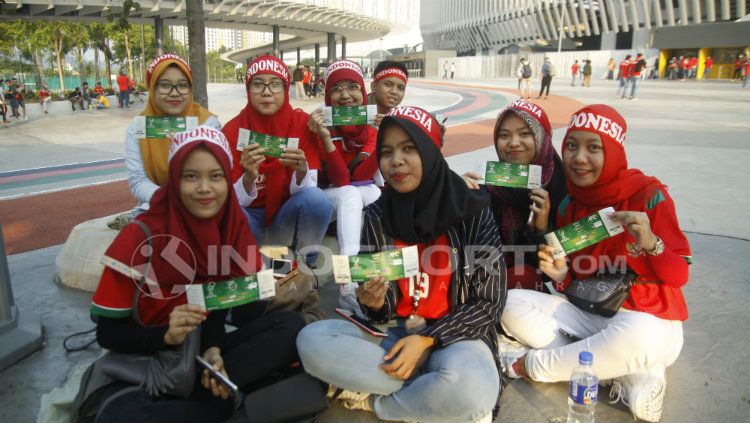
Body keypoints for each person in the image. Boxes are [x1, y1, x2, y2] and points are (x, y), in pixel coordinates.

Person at [296, 106, 506, 423]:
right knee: (312, 340)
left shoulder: (473, 211)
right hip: (394, 334)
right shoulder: (378, 216)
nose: (396, 161)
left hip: (457, 338)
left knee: (473, 390)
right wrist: (375, 302)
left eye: (410, 149)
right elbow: (382, 310)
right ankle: (428, 395)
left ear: (430, 153)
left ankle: (381, 405)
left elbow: (489, 301)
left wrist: (428, 340)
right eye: (387, 151)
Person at [90, 126, 305, 423]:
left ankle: (208, 401)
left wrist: (214, 352)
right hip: (146, 364)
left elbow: (213, 313)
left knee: (291, 326)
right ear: (175, 181)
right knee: (120, 416)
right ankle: (216, 406)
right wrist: (165, 335)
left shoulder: (228, 228)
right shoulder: (138, 238)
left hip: (197, 357)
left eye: (216, 176)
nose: (204, 187)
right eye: (191, 176)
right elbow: (108, 333)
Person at [499, 104, 691, 423]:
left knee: (643, 339)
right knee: (510, 302)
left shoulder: (648, 195)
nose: (579, 158)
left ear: (614, 151)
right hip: (591, 314)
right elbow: (573, 278)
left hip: (647, 318)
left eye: (594, 148)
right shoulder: (569, 203)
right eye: (572, 146)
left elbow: (679, 274)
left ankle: (525, 364)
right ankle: (623, 373)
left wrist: (651, 243)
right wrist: (560, 274)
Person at [222, 54, 331, 268]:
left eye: (275, 84)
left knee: (318, 199)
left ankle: (305, 265)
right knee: (229, 211)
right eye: (258, 84)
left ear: (285, 87)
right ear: (247, 88)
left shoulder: (302, 124)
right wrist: (248, 177)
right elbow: (228, 199)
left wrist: (301, 171)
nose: (266, 92)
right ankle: (254, 265)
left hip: (285, 211)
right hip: (250, 216)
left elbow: (310, 190)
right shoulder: (233, 131)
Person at [462, 99, 567, 290]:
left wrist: (541, 228)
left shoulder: (561, 186)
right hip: (484, 283)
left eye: (525, 133)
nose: (513, 143)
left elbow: (553, 269)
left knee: (524, 277)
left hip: (529, 287)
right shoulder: (488, 186)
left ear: (542, 137)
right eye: (504, 135)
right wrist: (456, 195)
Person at [307, 60, 382, 313]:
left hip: (355, 192)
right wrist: (326, 138)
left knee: (373, 193)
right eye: (337, 89)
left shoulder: (372, 124)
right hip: (321, 198)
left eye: (352, 87)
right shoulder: (319, 123)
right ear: (328, 95)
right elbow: (340, 181)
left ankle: (374, 281)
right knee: (351, 192)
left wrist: (380, 138)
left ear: (363, 91)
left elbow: (363, 174)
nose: (346, 95)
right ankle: (347, 285)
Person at [126, 53, 219, 214]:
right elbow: (138, 181)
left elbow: (213, 177)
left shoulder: (208, 123)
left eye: (182, 85)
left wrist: (183, 151)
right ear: (152, 88)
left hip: (198, 205)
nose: (174, 93)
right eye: (165, 85)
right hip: (154, 205)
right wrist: (166, 199)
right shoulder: (137, 127)